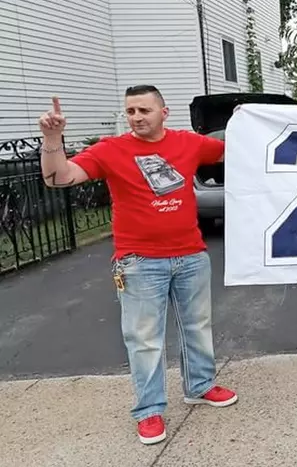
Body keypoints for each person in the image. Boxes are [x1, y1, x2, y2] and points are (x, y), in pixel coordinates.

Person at [38, 85, 237, 445]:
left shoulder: (189, 143)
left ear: (164, 112)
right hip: (139, 262)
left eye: (144, 110)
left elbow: (236, 152)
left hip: (191, 255)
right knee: (144, 340)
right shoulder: (111, 151)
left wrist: (255, 124)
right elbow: (59, 178)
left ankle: (200, 385)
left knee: (198, 326)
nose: (136, 117)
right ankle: (149, 411)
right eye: (130, 111)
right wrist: (53, 139)